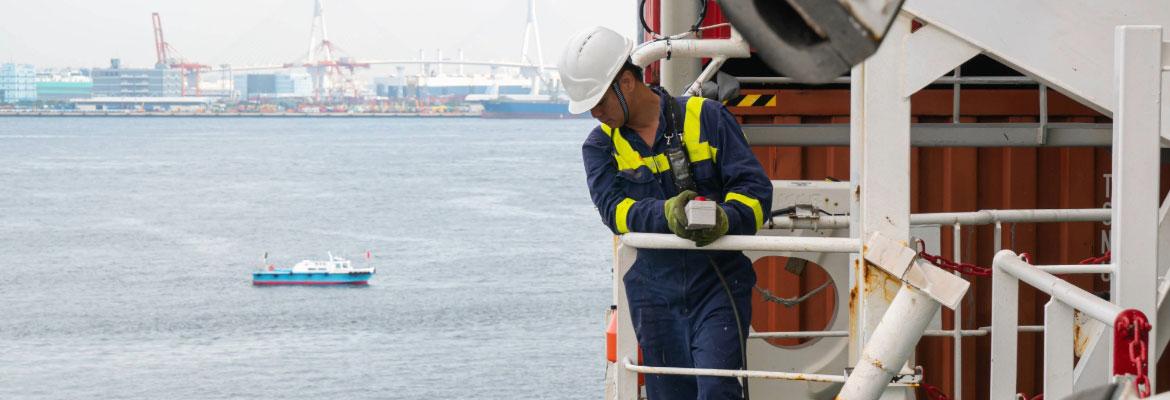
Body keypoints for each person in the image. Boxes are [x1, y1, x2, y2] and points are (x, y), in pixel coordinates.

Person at [558, 26, 773, 400]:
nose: (595, 114)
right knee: (668, 395)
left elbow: (755, 195)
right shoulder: (598, 147)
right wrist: (668, 214)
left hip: (718, 283)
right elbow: (615, 211)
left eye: (598, 102)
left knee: (717, 388)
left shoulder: (708, 118)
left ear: (625, 83)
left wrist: (724, 218)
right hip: (652, 293)